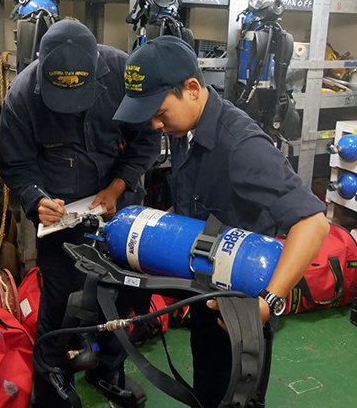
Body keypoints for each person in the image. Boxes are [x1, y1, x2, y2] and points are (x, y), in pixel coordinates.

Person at [113, 35, 330, 407]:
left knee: (236, 396)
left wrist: (268, 302)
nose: (154, 124)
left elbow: (314, 222)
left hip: (242, 300)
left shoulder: (242, 146)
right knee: (209, 389)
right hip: (206, 286)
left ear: (192, 89)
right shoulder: (185, 129)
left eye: (160, 112)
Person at [0, 19, 160, 408]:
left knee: (128, 292)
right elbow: (14, 162)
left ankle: (107, 368)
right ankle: (51, 381)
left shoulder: (123, 73)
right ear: (40, 61)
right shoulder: (22, 94)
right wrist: (36, 199)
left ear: (97, 61)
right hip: (58, 211)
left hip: (119, 201)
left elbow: (148, 140)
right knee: (63, 298)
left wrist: (118, 186)